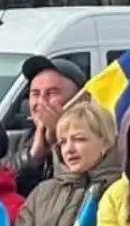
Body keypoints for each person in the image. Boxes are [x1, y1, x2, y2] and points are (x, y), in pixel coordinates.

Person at [11, 55, 87, 195]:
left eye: (52, 93)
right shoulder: (14, 144)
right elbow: (6, 190)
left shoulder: (95, 144)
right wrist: (33, 157)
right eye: (35, 94)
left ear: (79, 99)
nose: (41, 102)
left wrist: (59, 143)